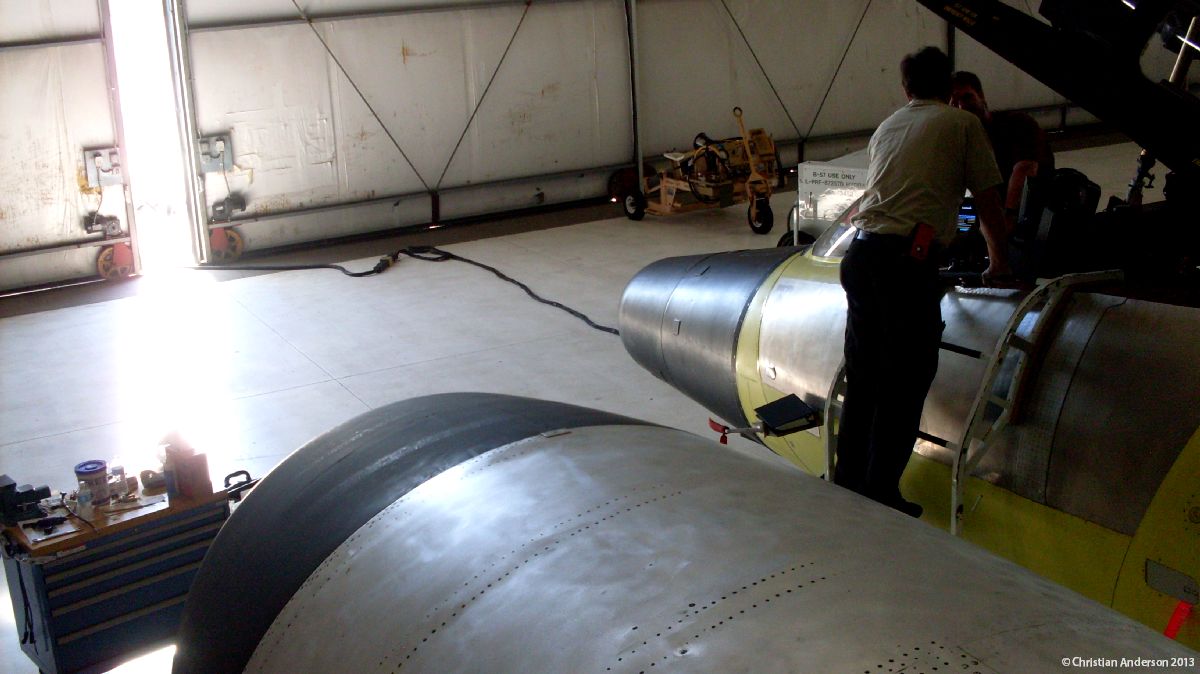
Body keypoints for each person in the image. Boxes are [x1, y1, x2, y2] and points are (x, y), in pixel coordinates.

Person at [834, 47, 1009, 517]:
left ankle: (846, 483)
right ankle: (881, 492)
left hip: (861, 257)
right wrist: (1000, 263)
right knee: (905, 382)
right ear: (949, 86)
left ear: (905, 88)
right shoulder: (962, 124)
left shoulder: (888, 126)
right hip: (905, 264)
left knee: (864, 378)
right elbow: (988, 202)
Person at [950, 71, 1055, 220]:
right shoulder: (963, 143)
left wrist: (1009, 216)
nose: (961, 106)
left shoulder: (1017, 123)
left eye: (967, 97)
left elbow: (1025, 169)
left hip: (1034, 216)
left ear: (981, 96)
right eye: (954, 102)